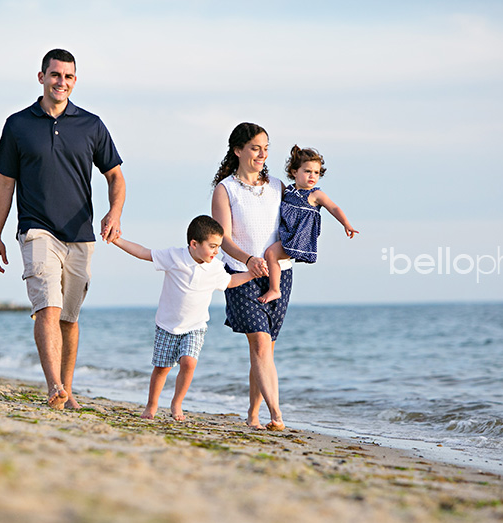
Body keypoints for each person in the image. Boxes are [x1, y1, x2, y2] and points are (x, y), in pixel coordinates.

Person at [0, 48, 126, 410]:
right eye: (54, 75)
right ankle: (53, 387)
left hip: (80, 233)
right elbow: (4, 182)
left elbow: (115, 176)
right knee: (46, 307)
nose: (60, 82)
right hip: (36, 229)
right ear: (41, 77)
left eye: (67, 76)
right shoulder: (18, 124)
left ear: (74, 81)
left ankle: (67, 388)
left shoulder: (91, 125)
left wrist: (114, 212)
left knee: (69, 316)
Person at [112, 215, 256, 421]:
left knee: (189, 363)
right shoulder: (174, 257)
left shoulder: (215, 266)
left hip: (195, 326)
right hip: (167, 325)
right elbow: (144, 253)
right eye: (213, 246)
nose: (217, 251)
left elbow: (229, 282)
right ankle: (151, 405)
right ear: (194, 244)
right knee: (162, 368)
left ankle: (177, 403)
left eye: (219, 247)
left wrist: (251, 274)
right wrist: (118, 241)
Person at [210, 122, 290, 431]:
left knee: (266, 348)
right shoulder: (225, 189)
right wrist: (248, 259)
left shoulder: (278, 187)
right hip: (241, 273)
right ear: (238, 150)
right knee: (259, 342)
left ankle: (254, 413)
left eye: (266, 148)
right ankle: (276, 415)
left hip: (279, 275)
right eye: (255, 148)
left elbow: (296, 221)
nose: (262, 154)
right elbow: (223, 238)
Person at [258, 145, 358, 304]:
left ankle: (275, 289)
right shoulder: (288, 191)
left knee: (271, 254)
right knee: (270, 253)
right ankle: (273, 286)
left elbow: (333, 207)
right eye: (308, 171)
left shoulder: (315, 194)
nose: (312, 176)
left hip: (300, 238)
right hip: (287, 234)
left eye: (316, 172)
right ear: (294, 172)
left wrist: (346, 224)